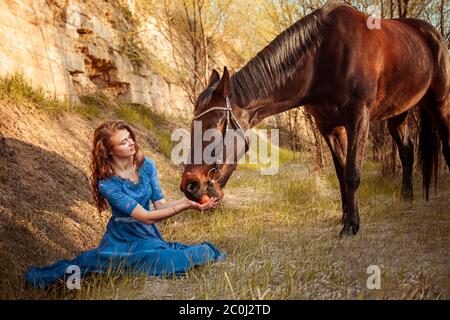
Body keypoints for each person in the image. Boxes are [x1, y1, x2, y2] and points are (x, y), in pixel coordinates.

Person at [25, 120, 225, 289]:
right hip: (121, 239)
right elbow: (145, 217)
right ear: (109, 151)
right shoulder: (108, 184)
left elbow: (160, 205)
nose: (131, 143)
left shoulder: (147, 166)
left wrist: (186, 200)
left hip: (148, 235)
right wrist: (186, 206)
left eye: (130, 137)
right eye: (123, 142)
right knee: (92, 266)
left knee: (183, 255)